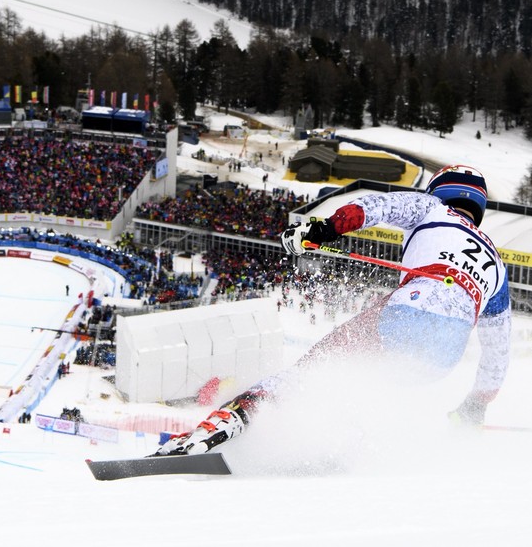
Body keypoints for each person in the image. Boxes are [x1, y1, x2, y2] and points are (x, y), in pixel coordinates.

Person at [155, 165, 511, 456]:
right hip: (446, 355)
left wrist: (324, 229)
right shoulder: (498, 264)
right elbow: (497, 351)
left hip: (409, 316)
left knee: (316, 367)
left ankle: (227, 421)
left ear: (440, 191)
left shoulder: (433, 209)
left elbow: (375, 207)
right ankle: (336, 444)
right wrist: (476, 404)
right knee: (365, 383)